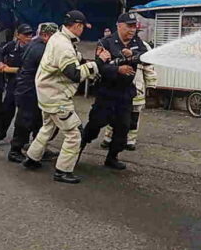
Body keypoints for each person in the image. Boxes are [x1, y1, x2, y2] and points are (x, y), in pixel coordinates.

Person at [23, 10, 110, 184]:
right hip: (57, 97)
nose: (83, 30)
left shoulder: (59, 38)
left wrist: (88, 63)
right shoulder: (63, 45)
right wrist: (99, 62)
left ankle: (32, 159)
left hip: (47, 94)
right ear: (77, 26)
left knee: (48, 127)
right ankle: (62, 171)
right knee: (74, 133)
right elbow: (74, 74)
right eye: (83, 27)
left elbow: (72, 60)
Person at [80, 13, 148, 170]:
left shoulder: (137, 42)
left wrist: (134, 55)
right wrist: (118, 69)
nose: (132, 30)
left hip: (125, 94)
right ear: (119, 25)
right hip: (107, 93)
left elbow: (147, 57)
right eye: (129, 26)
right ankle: (75, 151)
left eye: (134, 26)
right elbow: (100, 66)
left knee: (123, 127)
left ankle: (112, 157)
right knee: (94, 125)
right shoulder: (106, 42)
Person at [8, 22, 59, 163]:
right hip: (29, 90)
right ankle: (15, 150)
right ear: (45, 35)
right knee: (25, 121)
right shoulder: (40, 48)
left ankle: (38, 148)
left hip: (33, 89)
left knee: (39, 121)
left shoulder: (37, 44)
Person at [101, 40, 157, 151]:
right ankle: (108, 138)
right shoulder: (115, 42)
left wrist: (151, 85)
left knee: (134, 116)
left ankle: (130, 141)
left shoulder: (143, 46)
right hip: (119, 84)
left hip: (137, 85)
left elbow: (149, 67)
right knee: (114, 113)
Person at [0, 24, 34, 147]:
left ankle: (20, 142)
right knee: (6, 111)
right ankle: (0, 134)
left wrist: (10, 69)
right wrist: (1, 62)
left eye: (30, 35)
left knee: (24, 116)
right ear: (18, 35)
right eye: (25, 35)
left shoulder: (32, 49)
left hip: (26, 85)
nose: (29, 37)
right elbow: (0, 52)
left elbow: (27, 69)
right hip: (12, 84)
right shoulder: (11, 46)